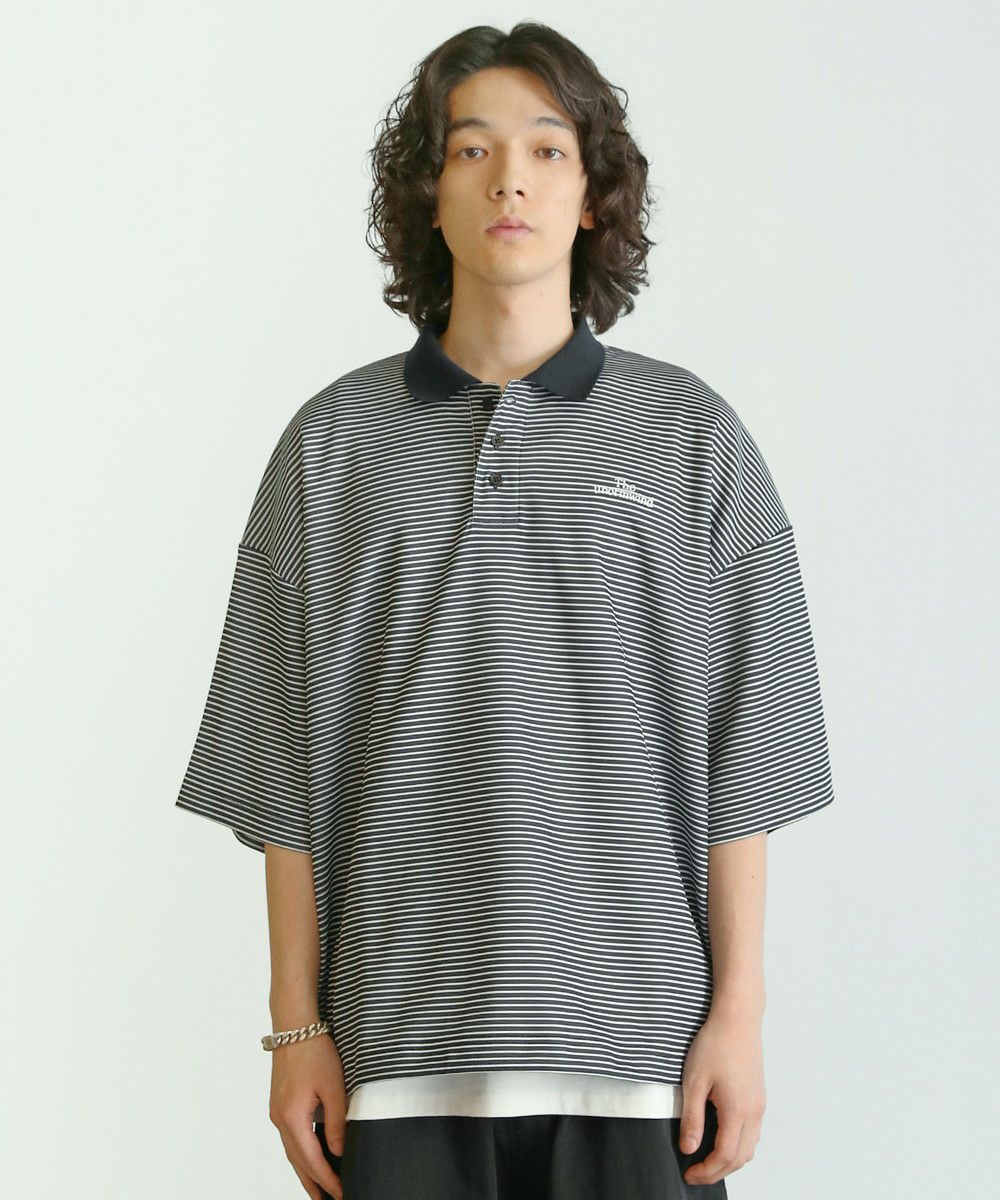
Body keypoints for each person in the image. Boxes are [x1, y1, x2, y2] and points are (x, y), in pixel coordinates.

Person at [175, 21, 835, 1200]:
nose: (509, 180)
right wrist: (294, 1028)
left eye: (545, 149)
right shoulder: (330, 447)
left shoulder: (692, 438)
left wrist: (737, 1017)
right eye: (470, 150)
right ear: (426, 196)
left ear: (592, 194)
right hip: (396, 1055)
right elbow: (276, 762)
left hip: (641, 1057)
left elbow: (752, 748)